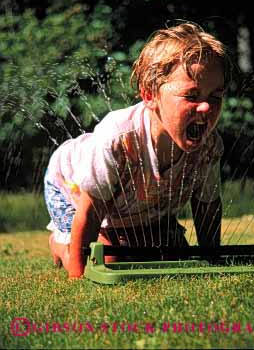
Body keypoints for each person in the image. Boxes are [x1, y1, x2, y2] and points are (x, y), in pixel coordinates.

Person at [44, 22, 231, 278]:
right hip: (71, 186)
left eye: (216, 96)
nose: (207, 107)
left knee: (171, 254)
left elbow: (207, 205)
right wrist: (78, 275)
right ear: (150, 95)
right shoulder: (119, 138)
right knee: (109, 258)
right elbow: (90, 212)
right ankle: (60, 244)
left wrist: (213, 261)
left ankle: (124, 240)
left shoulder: (208, 146)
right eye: (191, 96)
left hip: (132, 206)